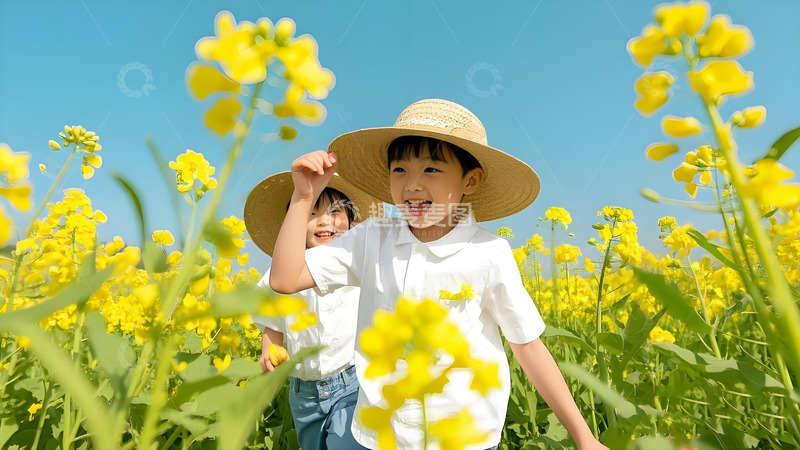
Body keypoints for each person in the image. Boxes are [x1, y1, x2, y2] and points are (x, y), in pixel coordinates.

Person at [269, 99, 608, 449]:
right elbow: (286, 278)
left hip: (463, 439)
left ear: (471, 181)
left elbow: (528, 348)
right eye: (399, 170)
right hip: (380, 436)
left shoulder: (489, 253)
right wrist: (302, 198)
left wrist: (584, 437)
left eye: (431, 170)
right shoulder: (371, 238)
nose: (412, 184)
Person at [244, 171, 377, 450]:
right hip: (303, 393)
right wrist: (269, 349)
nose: (324, 221)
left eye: (335, 212)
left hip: (352, 383)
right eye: (311, 213)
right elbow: (273, 319)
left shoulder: (358, 266)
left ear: (352, 222)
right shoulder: (279, 275)